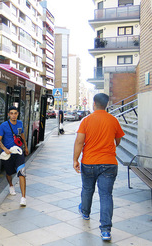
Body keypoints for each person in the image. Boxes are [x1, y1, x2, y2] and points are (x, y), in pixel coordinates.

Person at [73, 93, 125, 241]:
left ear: (94, 104)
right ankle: (106, 231)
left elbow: (79, 142)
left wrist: (75, 160)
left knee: (87, 189)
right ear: (106, 104)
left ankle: (85, 212)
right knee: (106, 195)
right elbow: (118, 140)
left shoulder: (86, 120)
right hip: (109, 163)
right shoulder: (113, 120)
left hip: (89, 162)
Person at [0, 106, 29, 206]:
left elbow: (22, 135)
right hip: (8, 153)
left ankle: (23, 198)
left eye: (15, 113)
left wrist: (26, 147)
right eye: (11, 113)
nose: (13, 115)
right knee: (9, 172)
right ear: (8, 115)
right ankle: (11, 185)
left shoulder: (20, 123)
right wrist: (5, 149)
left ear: (18, 114)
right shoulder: (4, 125)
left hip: (19, 152)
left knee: (21, 173)